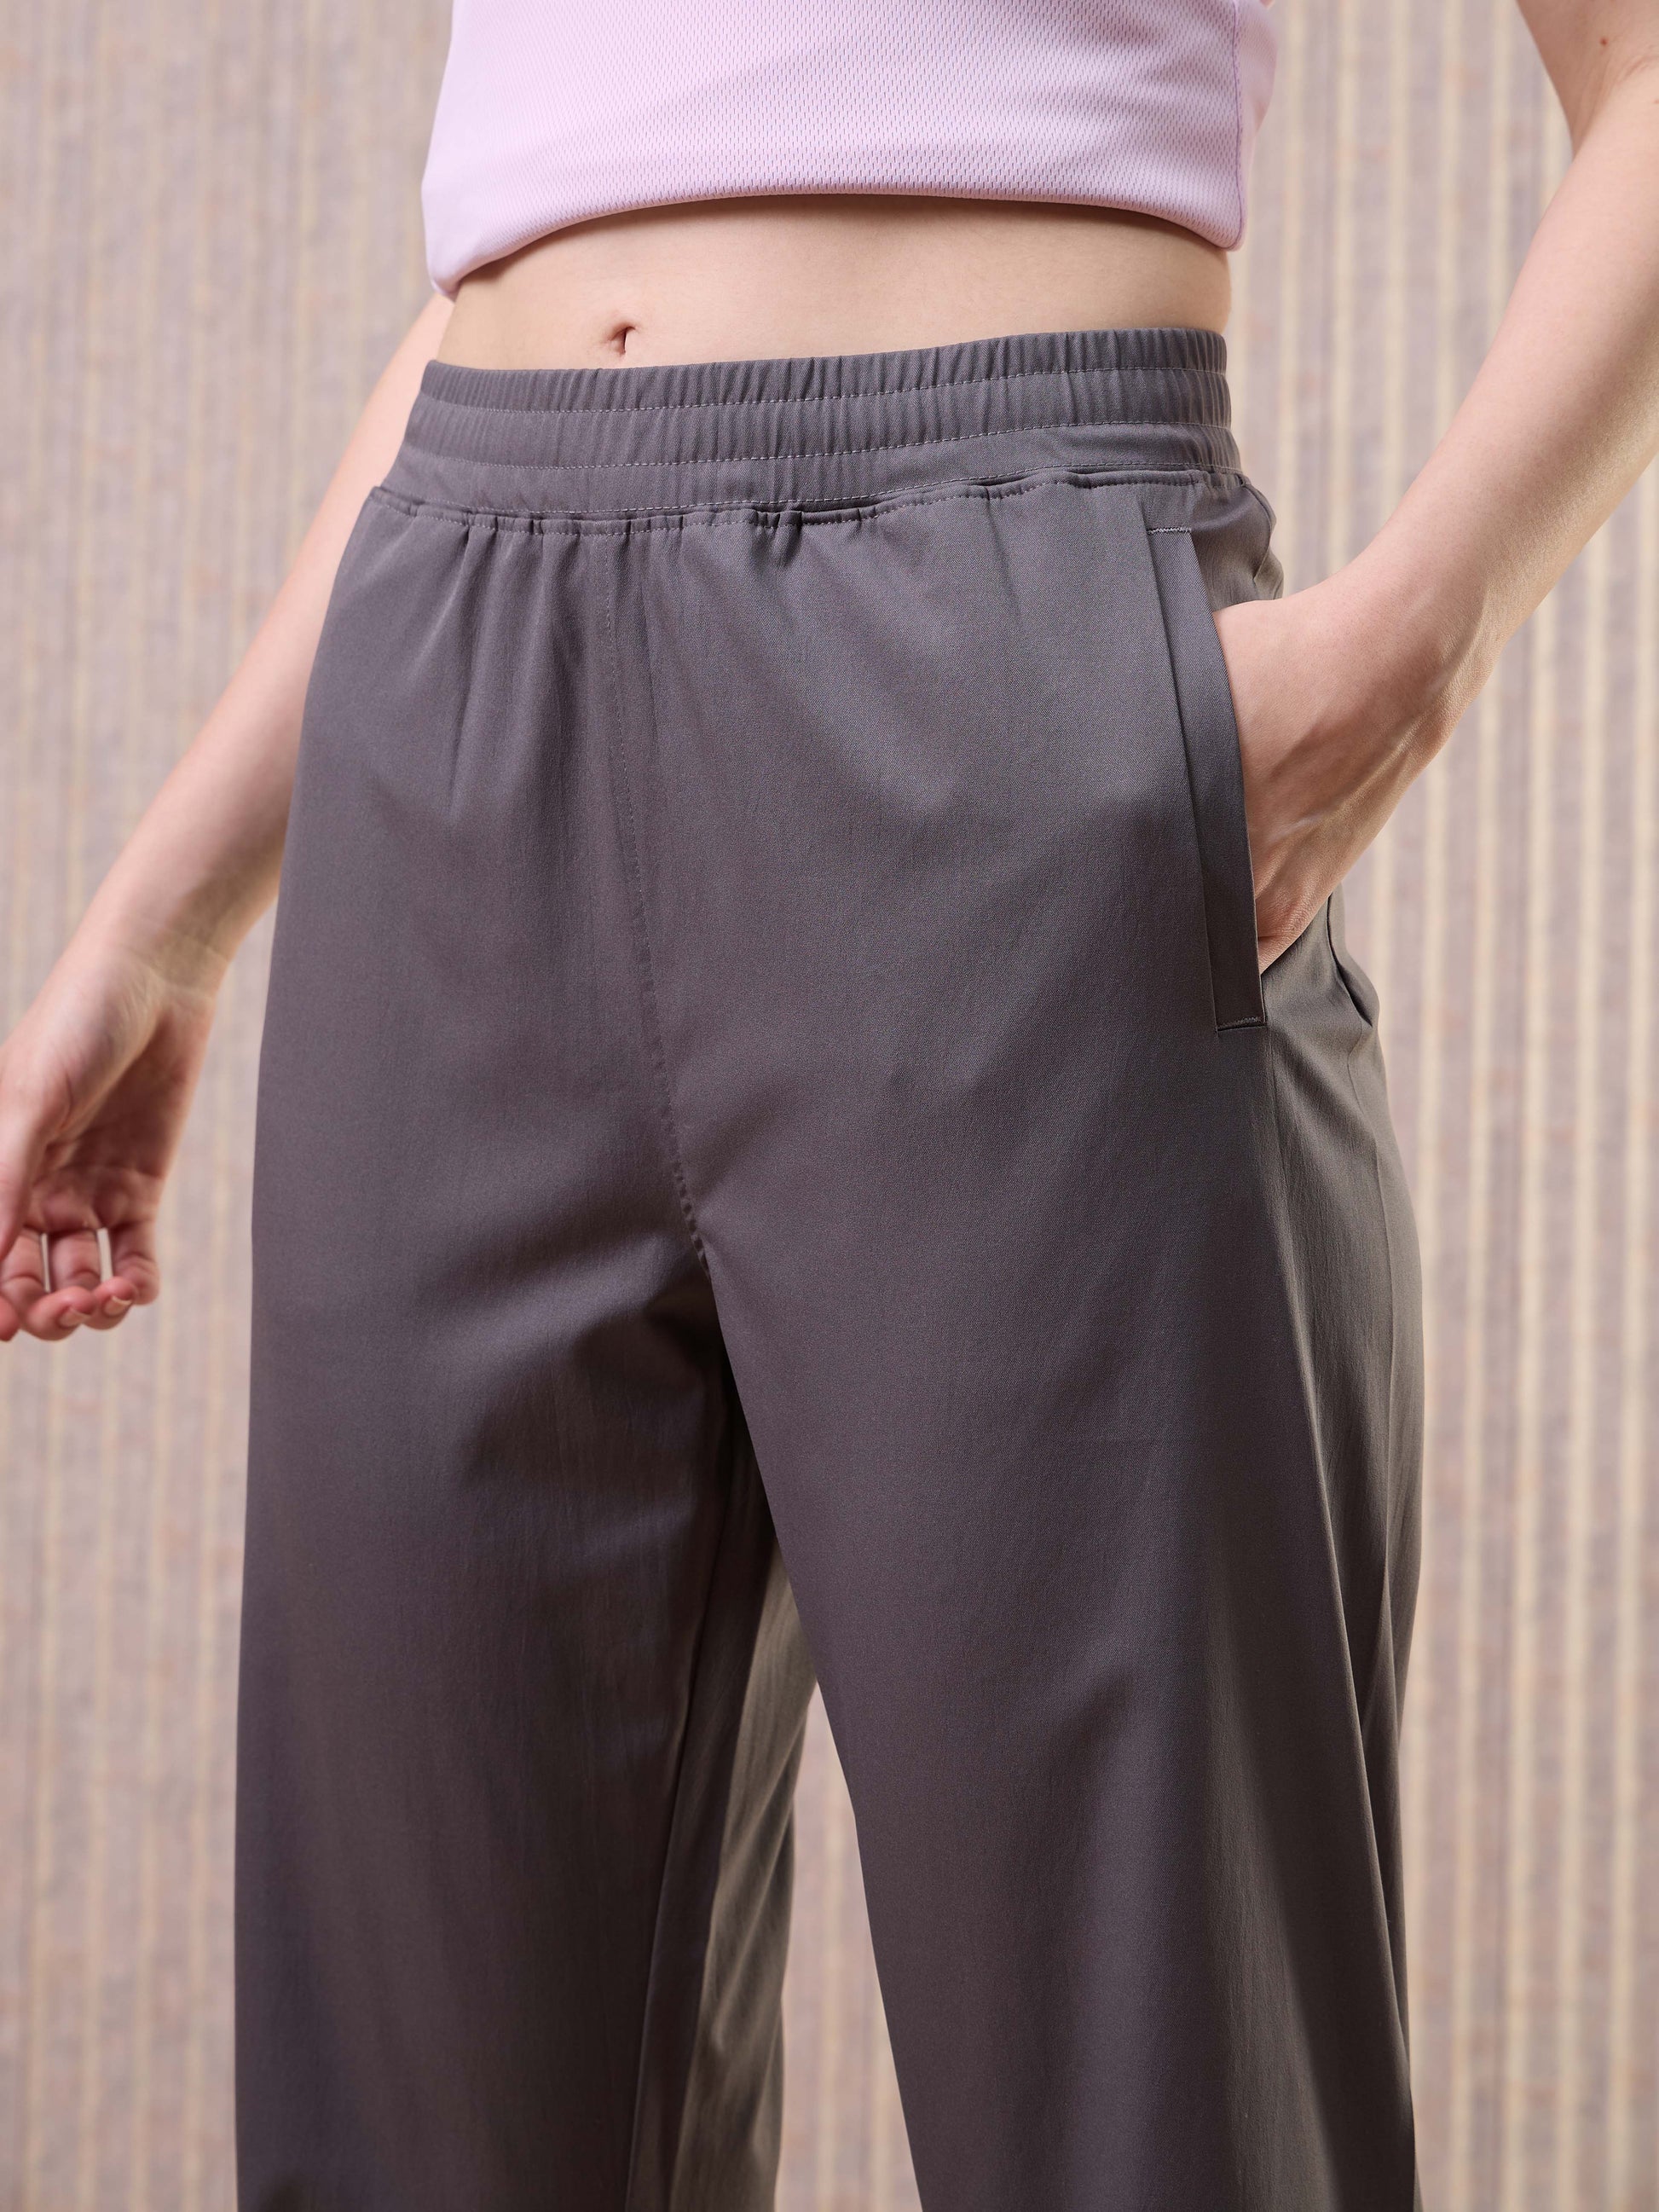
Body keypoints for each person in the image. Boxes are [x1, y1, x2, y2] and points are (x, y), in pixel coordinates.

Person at [3, 1, 1656, 2204]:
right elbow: (546, 230)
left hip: (1004, 659)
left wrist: (1406, 659)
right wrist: (166, 920)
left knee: (1151, 2094)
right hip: (455, 671)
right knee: (422, 2127)